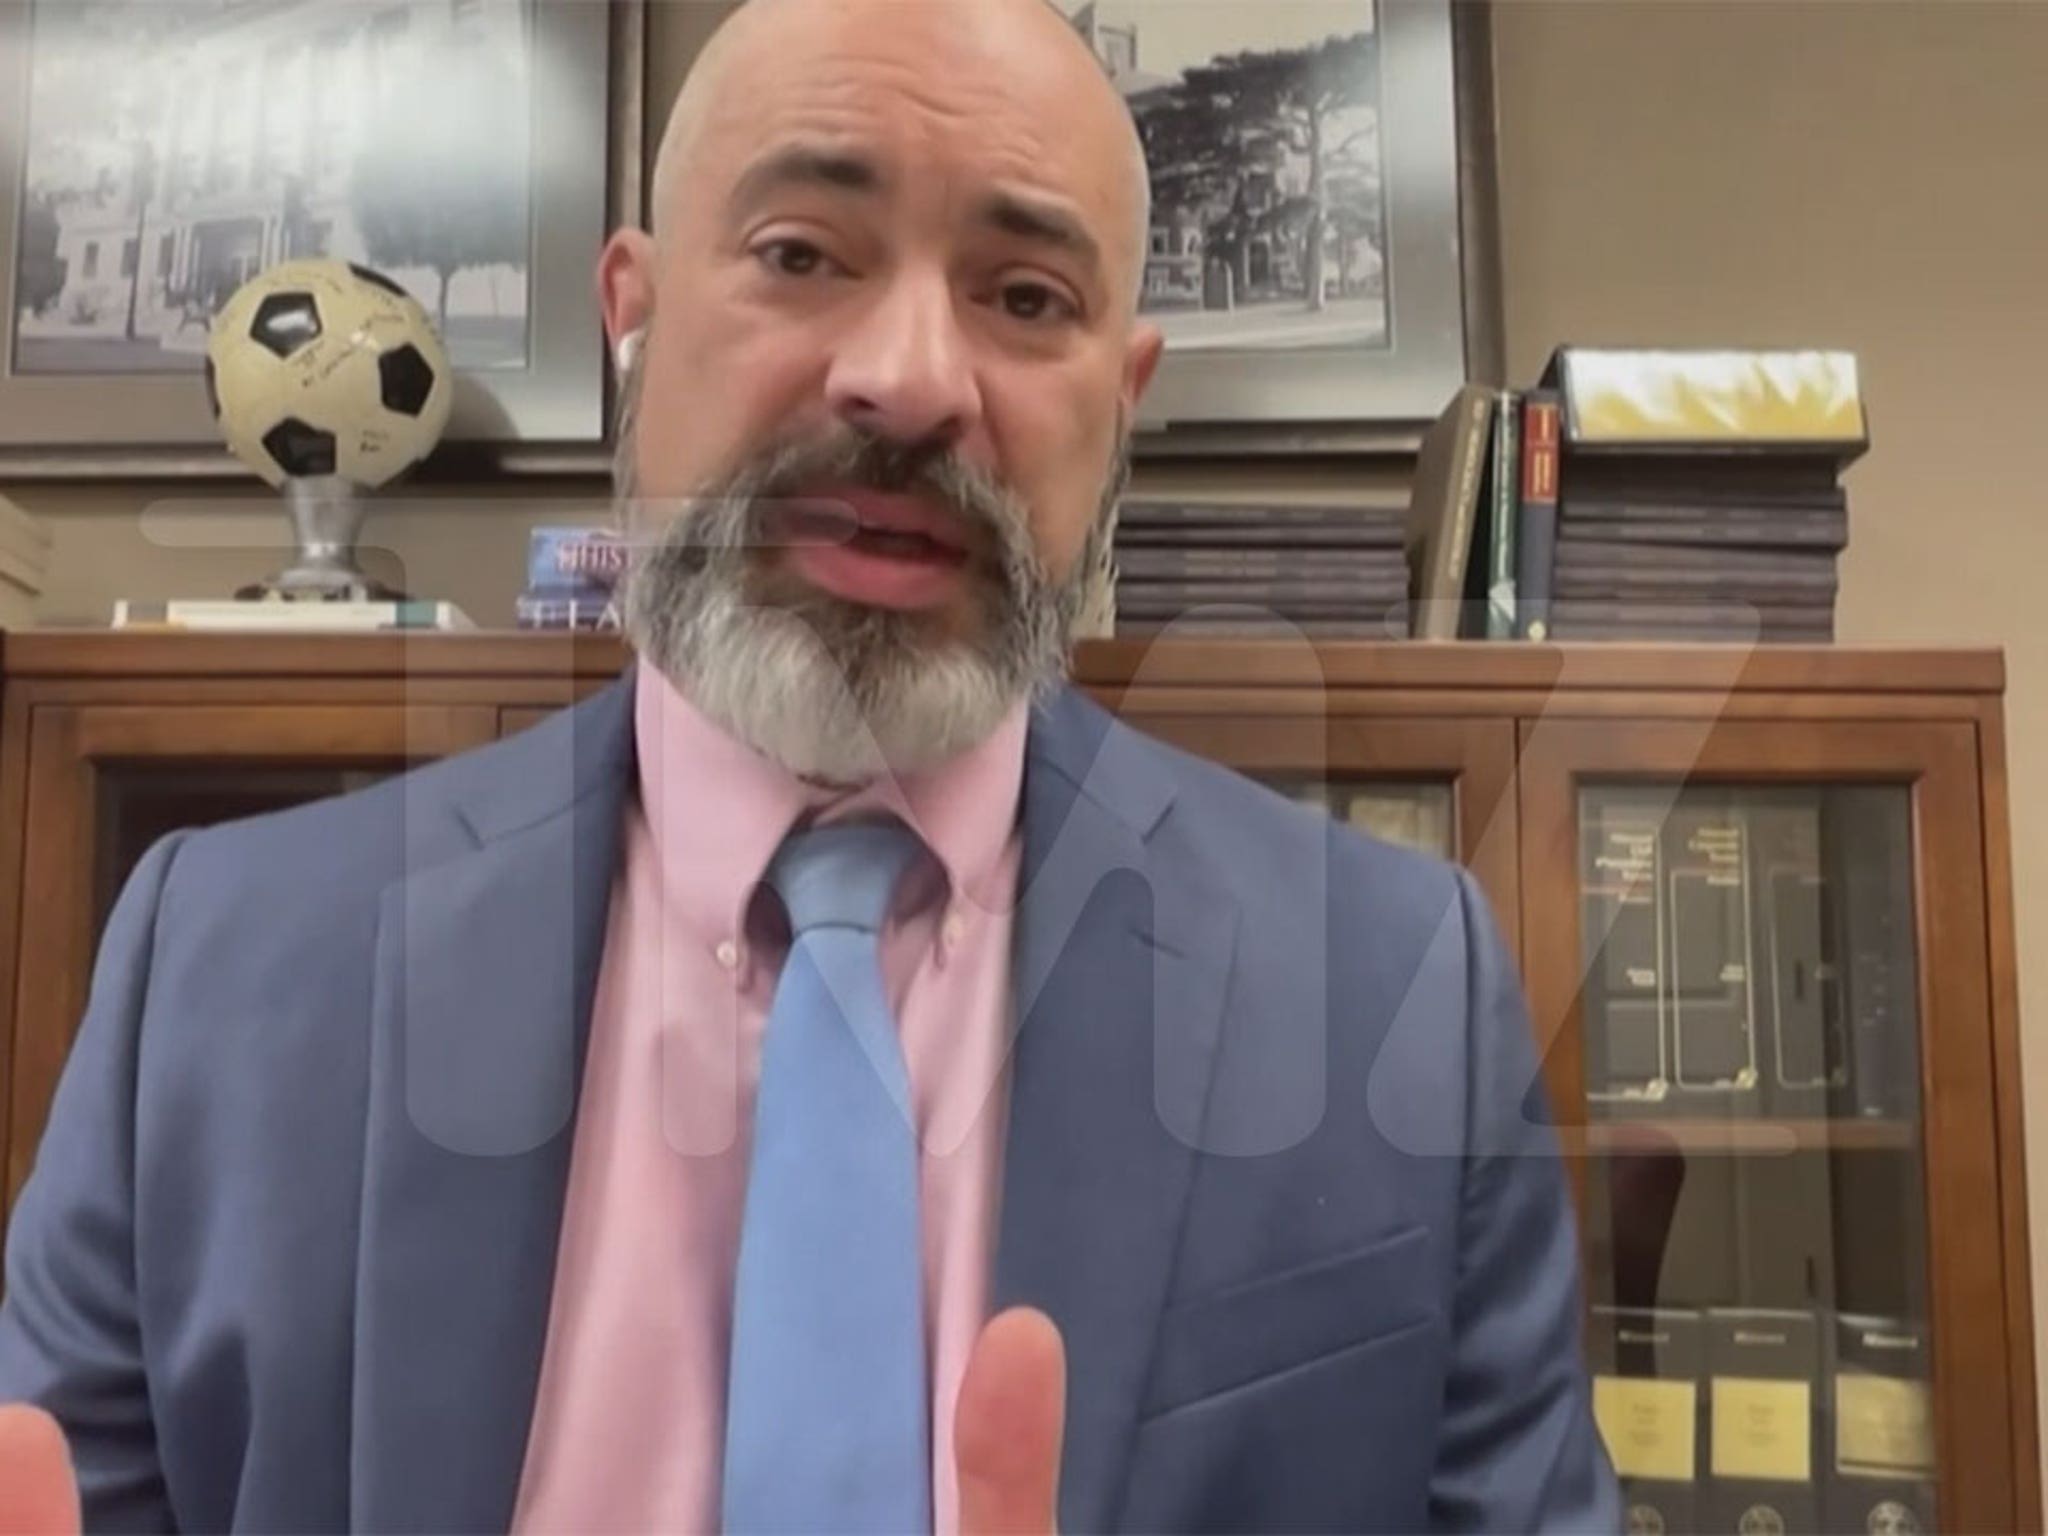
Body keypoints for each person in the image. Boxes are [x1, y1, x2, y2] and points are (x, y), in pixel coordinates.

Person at [0, 0, 1622, 1530]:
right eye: (800, 254)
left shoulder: (1392, 991)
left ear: (1122, 401)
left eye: (1025, 298)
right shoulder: (219, 969)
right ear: (631, 315)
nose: (907, 380)